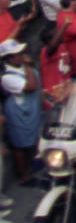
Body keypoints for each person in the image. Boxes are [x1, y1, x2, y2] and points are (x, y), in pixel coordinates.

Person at [0, 39, 42, 185]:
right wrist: (26, 65)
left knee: (32, 140)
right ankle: (23, 176)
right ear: (9, 58)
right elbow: (31, 86)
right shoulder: (7, 77)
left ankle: (34, 168)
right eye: (18, 54)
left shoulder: (22, 68)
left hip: (32, 109)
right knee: (20, 144)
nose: (21, 56)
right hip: (19, 112)